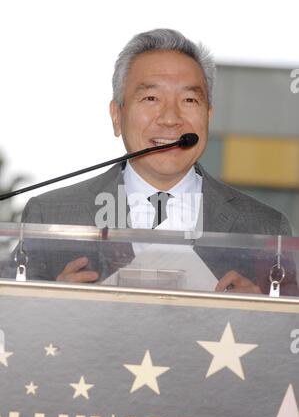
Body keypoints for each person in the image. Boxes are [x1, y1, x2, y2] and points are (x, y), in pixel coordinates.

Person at [18, 29, 294, 293]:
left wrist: (262, 316)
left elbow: (286, 332)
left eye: (188, 99)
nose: (170, 118)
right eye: (151, 98)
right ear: (117, 116)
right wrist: (50, 305)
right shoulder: (49, 216)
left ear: (208, 117)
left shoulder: (266, 227)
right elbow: (18, 327)